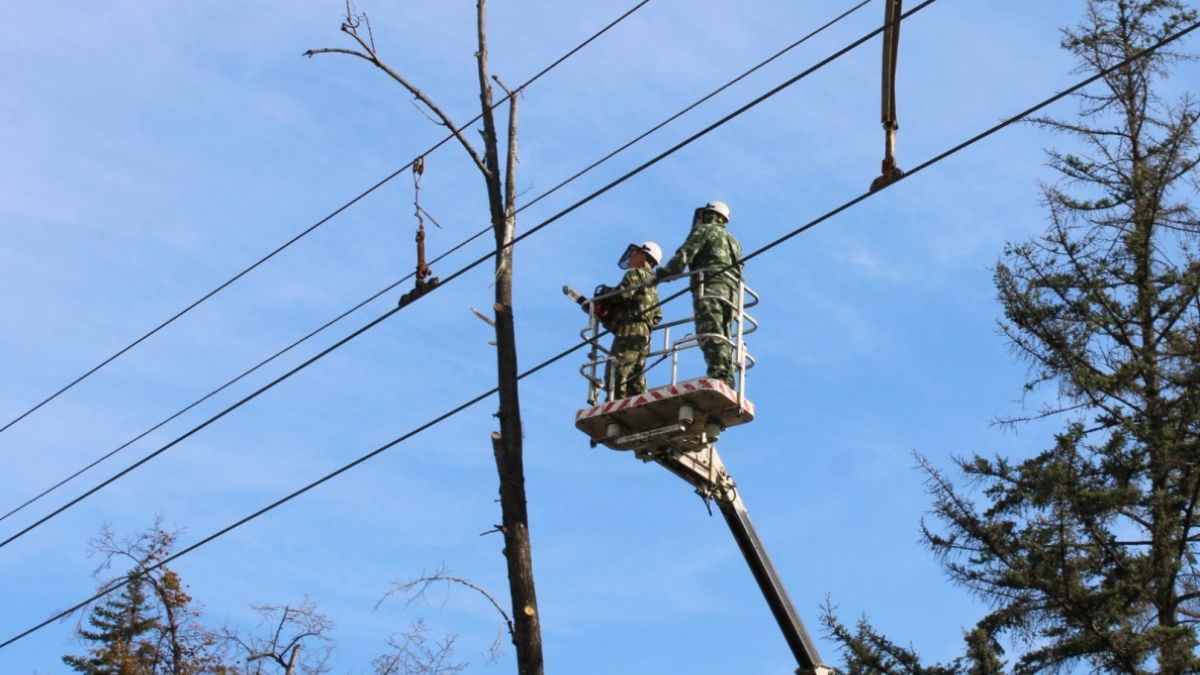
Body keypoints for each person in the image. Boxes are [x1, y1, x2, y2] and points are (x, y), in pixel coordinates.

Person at [655, 201, 743, 388]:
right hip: (732, 294)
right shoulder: (734, 242)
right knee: (724, 335)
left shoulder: (703, 230)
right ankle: (728, 376)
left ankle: (719, 374)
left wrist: (661, 275)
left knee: (710, 332)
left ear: (706, 214)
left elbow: (684, 255)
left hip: (710, 287)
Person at [597, 241, 663, 400]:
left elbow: (623, 294)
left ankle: (616, 404)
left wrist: (605, 294)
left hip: (631, 329)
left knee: (616, 371)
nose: (632, 256)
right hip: (645, 334)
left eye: (635, 253)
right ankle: (640, 402)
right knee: (635, 375)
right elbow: (657, 316)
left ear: (643, 256)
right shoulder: (653, 284)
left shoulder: (635, 274)